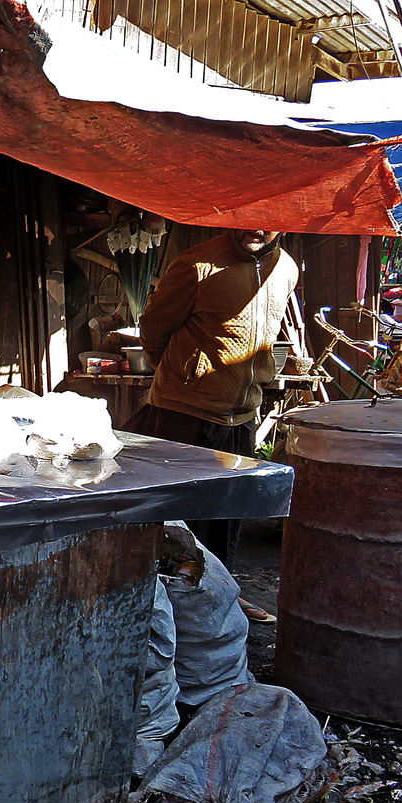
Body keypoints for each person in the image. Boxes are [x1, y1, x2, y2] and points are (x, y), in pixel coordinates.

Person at [127, 228, 298, 623]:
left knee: (226, 515)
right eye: (248, 214)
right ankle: (165, 604)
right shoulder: (196, 264)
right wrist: (186, 376)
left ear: (284, 223)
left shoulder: (286, 268)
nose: (257, 226)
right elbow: (154, 331)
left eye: (268, 219)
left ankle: (222, 596)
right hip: (185, 410)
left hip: (241, 413)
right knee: (179, 515)